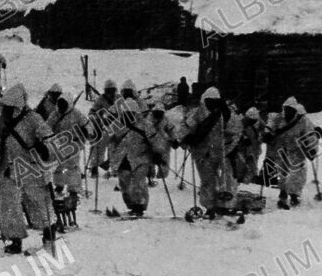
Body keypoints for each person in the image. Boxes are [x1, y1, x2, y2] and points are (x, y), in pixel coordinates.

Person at [0, 84, 57, 254]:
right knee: (9, 205)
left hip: (31, 167)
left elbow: (49, 138)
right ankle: (15, 240)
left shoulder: (33, 119)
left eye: (8, 107)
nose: (4, 110)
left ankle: (48, 233)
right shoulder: (0, 122)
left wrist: (45, 149)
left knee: (38, 203)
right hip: (10, 168)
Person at [109, 99, 167, 217]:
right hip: (123, 159)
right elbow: (111, 141)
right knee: (124, 183)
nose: (127, 116)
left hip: (141, 158)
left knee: (138, 182)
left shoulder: (146, 125)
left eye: (130, 113)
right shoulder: (117, 125)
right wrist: (111, 157)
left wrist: (158, 153)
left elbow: (156, 141)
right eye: (125, 113)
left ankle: (139, 206)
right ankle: (131, 205)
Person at [262, 97, 320, 209]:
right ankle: (283, 192)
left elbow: (310, 134)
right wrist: (267, 135)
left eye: (290, 109)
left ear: (295, 109)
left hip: (296, 150)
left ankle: (294, 195)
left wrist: (312, 149)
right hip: (280, 149)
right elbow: (269, 129)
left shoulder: (303, 120)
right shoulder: (277, 118)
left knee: (297, 173)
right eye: (286, 108)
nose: (287, 111)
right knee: (281, 172)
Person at [178, 85, 226, 218]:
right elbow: (186, 128)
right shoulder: (197, 113)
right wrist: (186, 138)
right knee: (207, 180)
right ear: (205, 100)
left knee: (215, 180)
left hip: (216, 152)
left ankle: (216, 205)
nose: (212, 104)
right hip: (202, 153)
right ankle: (210, 207)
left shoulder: (220, 114)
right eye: (210, 101)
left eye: (215, 101)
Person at [47, 93, 87, 226]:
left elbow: (87, 124)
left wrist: (86, 131)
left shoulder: (76, 113)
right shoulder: (55, 114)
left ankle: (73, 189)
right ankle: (59, 186)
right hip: (59, 144)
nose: (61, 108)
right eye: (60, 105)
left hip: (74, 144)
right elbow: (47, 126)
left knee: (72, 167)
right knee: (58, 167)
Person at [89, 80, 119, 176]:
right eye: (108, 91)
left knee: (115, 148)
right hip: (105, 127)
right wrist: (99, 118)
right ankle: (94, 167)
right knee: (99, 147)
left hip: (117, 127)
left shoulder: (119, 99)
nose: (110, 93)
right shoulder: (100, 99)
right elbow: (92, 113)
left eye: (112, 90)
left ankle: (115, 169)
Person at [233, 107, 264, 185]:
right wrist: (242, 139)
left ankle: (245, 184)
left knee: (252, 170)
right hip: (240, 152)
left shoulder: (258, 122)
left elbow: (264, 131)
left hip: (252, 151)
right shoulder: (238, 123)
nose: (252, 122)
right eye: (250, 121)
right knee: (239, 170)